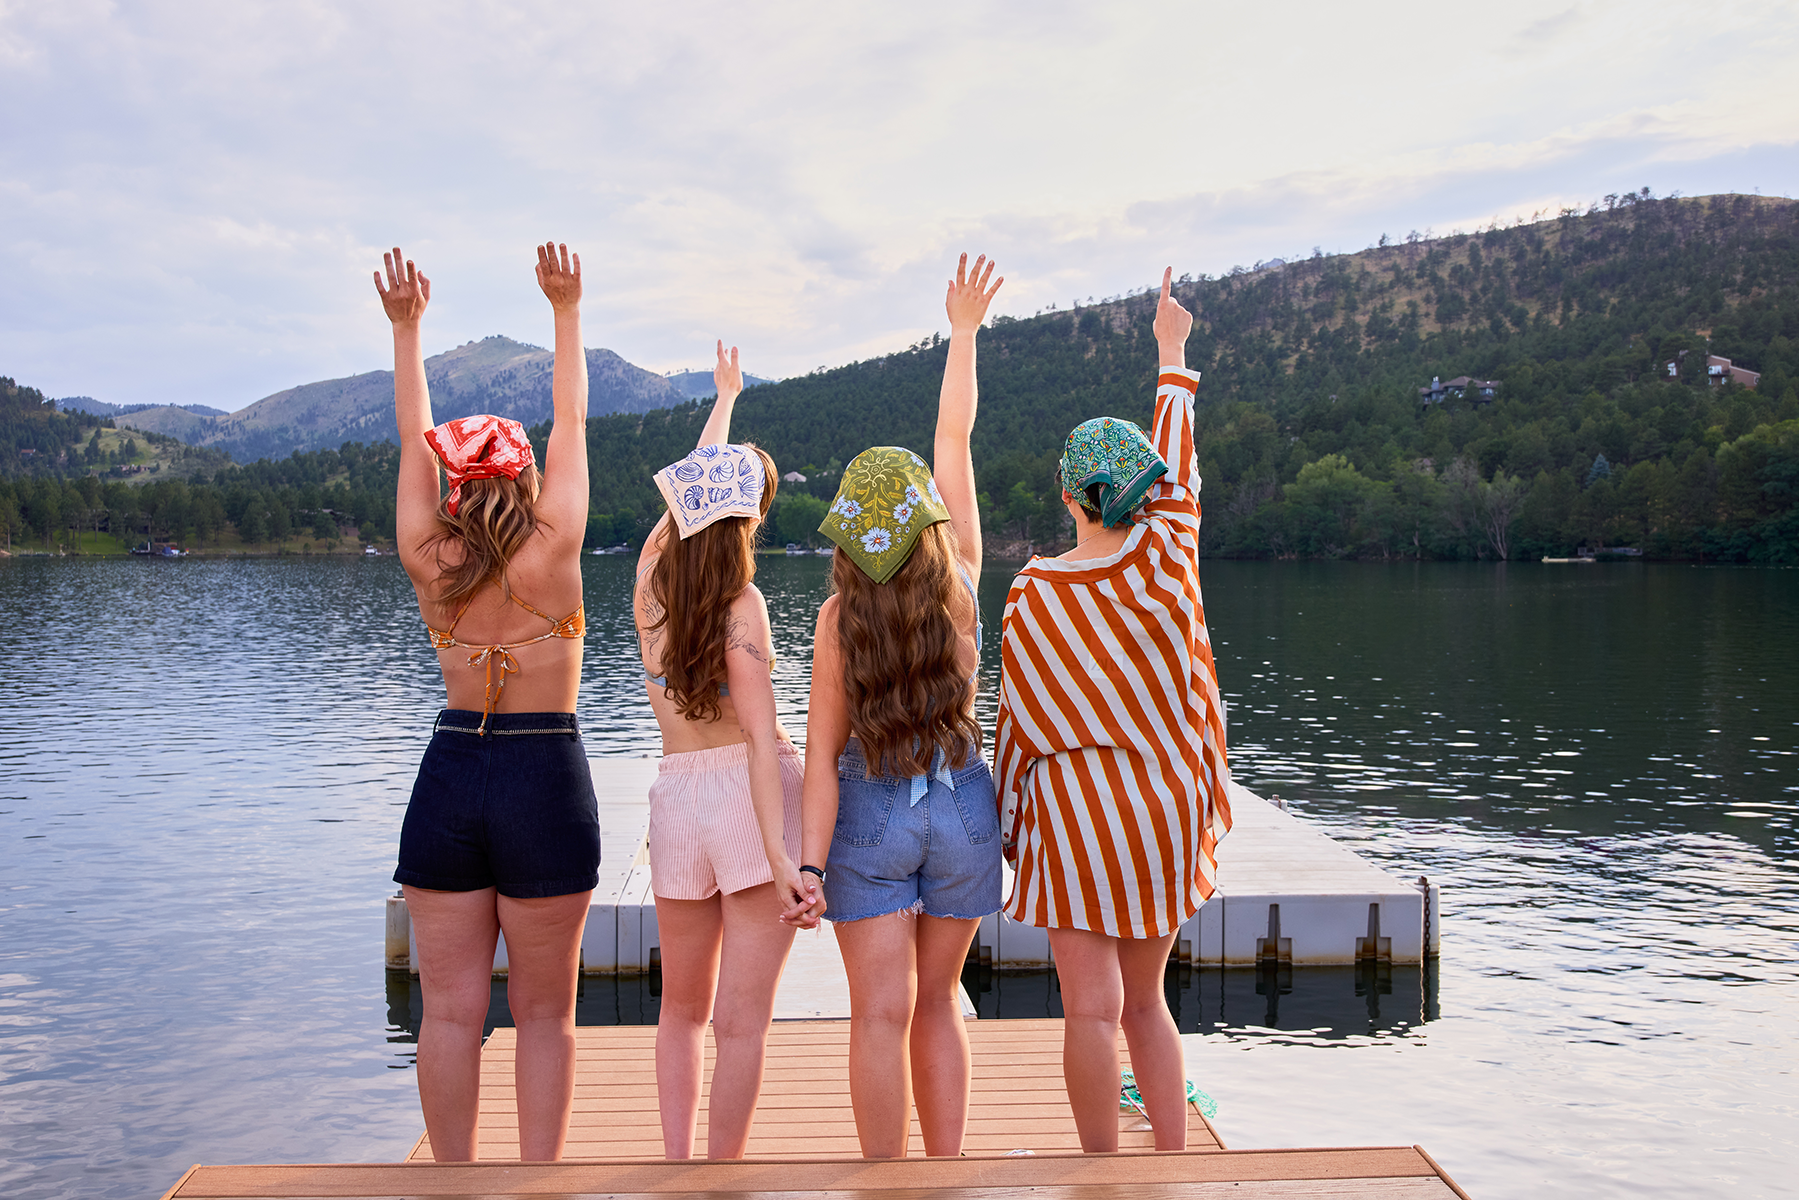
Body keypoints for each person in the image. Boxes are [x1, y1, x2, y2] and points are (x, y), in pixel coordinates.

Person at [993, 267, 1233, 1153]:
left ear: (1066, 496)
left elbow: (1016, 721)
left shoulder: (1031, 590)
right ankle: (1169, 1158)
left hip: (1074, 813)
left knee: (1089, 1013)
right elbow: (1177, 469)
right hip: (1164, 806)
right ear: (1146, 490)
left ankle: (1101, 1168)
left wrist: (1012, 821)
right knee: (1147, 1003)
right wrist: (1171, 353)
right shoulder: (1169, 556)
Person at [381, 242, 599, 1161]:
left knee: (447, 1012)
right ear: (521, 478)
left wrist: (407, 329)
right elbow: (573, 420)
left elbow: (408, 439)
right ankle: (538, 1183)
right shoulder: (554, 550)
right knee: (544, 1015)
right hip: (544, 773)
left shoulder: (429, 559)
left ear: (455, 485)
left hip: (450, 770)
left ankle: (452, 1182)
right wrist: (565, 310)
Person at [786, 253, 1003, 1158]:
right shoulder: (960, 585)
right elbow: (952, 442)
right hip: (959, 807)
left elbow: (821, 758)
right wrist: (962, 331)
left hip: (871, 812)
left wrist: (805, 867)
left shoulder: (837, 620)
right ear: (924, 521)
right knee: (939, 1009)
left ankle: (884, 1181)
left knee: (877, 1016)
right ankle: (942, 1174)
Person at [634, 343, 811, 1160]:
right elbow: (753, 734)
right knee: (740, 1024)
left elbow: (689, 488)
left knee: (681, 1009)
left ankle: (677, 1164)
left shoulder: (649, 582)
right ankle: (720, 1174)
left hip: (676, 801)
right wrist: (782, 855)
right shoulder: (744, 605)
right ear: (750, 518)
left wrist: (725, 401)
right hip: (746, 801)